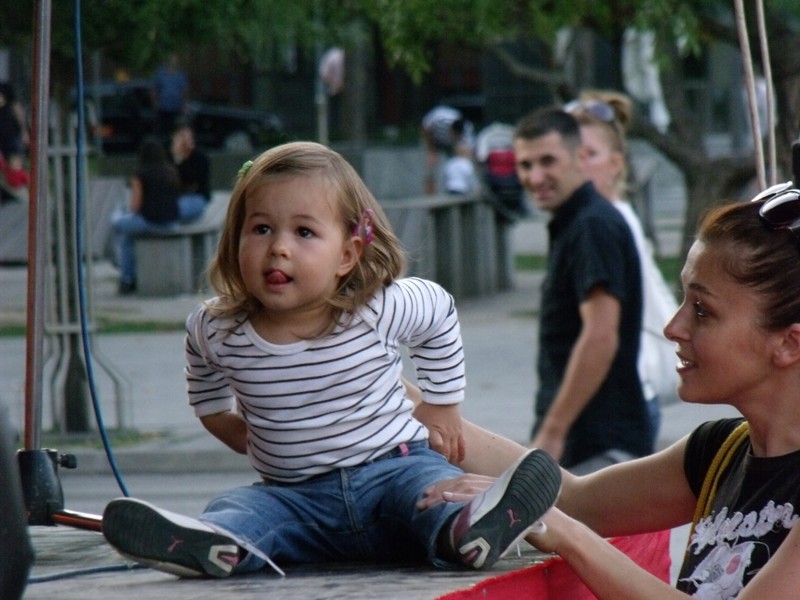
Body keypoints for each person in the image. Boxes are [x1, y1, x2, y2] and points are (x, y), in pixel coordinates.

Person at [101, 141, 562, 578]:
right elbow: (204, 387)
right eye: (261, 229)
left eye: (304, 232)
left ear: (347, 254)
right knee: (240, 508)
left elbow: (439, 311)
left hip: (396, 471)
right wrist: (235, 431)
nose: (279, 247)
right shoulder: (217, 329)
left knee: (437, 495)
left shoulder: (375, 308)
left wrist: (442, 404)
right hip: (293, 499)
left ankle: (469, 530)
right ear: (234, 239)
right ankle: (213, 544)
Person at [420, 184, 800, 598]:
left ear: (789, 343)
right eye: (683, 300)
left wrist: (565, 533)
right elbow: (576, 500)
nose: (673, 328)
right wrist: (405, 401)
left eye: (702, 311)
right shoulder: (718, 452)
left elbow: (565, 516)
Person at [513, 106, 653, 473]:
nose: (535, 177)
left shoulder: (592, 226)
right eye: (525, 165)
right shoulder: (575, 222)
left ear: (580, 157)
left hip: (600, 446)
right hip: (585, 444)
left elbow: (600, 337)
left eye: (548, 161)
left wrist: (553, 432)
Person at [566, 89, 679, 436]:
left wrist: (555, 424)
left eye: (589, 154)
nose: (577, 164)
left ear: (616, 163)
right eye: (570, 154)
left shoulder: (601, 224)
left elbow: (600, 332)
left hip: (617, 399)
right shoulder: (610, 215)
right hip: (628, 394)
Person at [111, 138, 180, 294]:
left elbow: (135, 206)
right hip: (171, 221)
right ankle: (126, 271)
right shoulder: (171, 172)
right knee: (127, 236)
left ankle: (126, 276)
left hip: (150, 221)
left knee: (117, 223)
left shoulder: (140, 175)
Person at [421, 105, 474, 194]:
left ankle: (459, 188)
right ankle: (430, 196)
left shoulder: (467, 128)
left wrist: (463, 162)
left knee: (461, 160)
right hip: (434, 138)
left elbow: (468, 149)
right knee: (430, 166)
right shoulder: (439, 119)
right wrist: (431, 149)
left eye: (458, 135)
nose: (456, 136)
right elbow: (424, 128)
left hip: (451, 143)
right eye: (455, 134)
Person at [170, 120, 210, 223]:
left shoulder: (200, 157)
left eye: (188, 137)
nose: (185, 141)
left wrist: (182, 159)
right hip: (174, 197)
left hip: (196, 197)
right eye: (182, 137)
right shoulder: (170, 157)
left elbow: (193, 184)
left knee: (179, 209)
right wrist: (177, 158)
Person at [152, 53, 188, 137]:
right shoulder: (160, 73)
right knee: (162, 131)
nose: (173, 62)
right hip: (162, 108)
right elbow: (154, 90)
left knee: (175, 131)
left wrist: (184, 105)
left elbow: (184, 92)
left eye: (175, 60)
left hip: (176, 108)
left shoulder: (181, 75)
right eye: (171, 60)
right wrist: (155, 103)